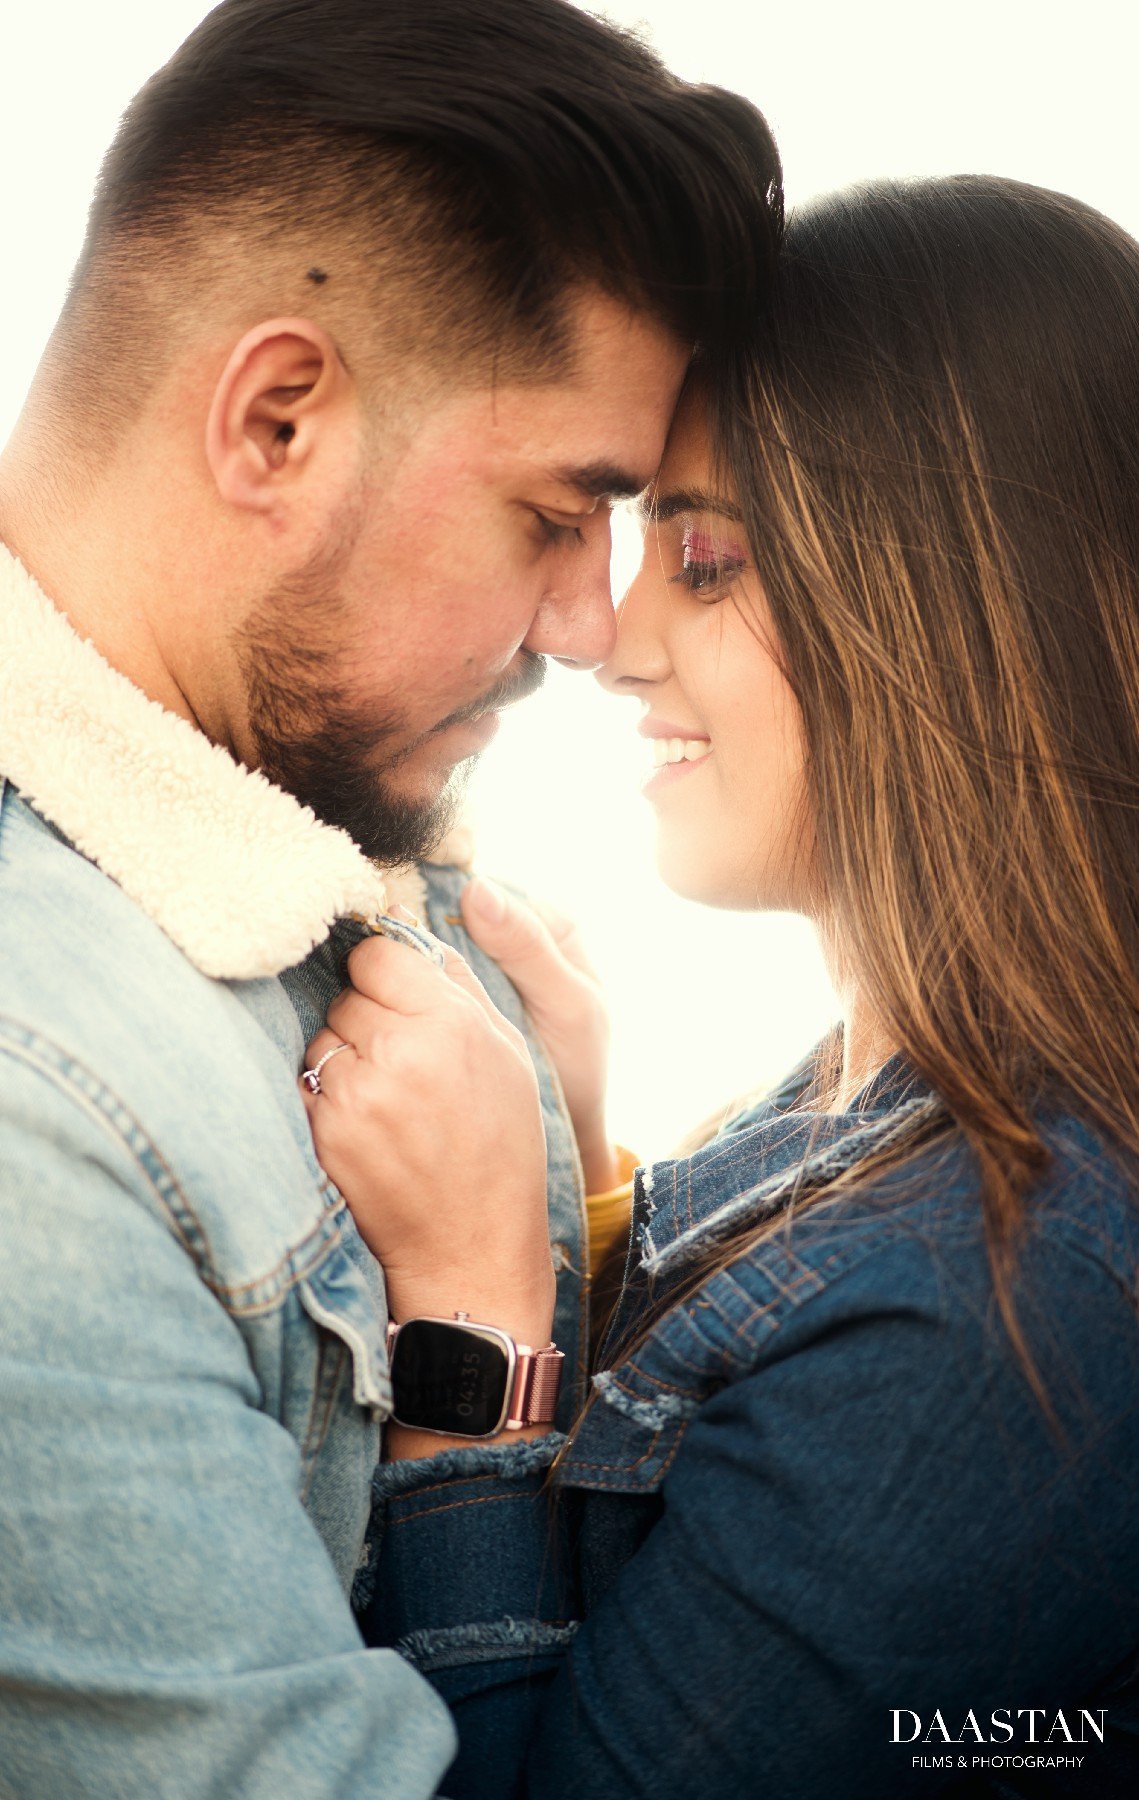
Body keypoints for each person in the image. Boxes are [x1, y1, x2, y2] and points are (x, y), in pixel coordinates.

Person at [0, 0, 784, 1790]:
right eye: (551, 516)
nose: (594, 629)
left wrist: (577, 1178)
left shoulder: (322, 829)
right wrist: (480, 1370)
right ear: (277, 419)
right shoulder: (37, 1099)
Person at [303, 175, 1139, 1796]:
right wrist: (582, 1171)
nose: (610, 638)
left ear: (953, 596)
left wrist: (472, 1327)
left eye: (702, 557)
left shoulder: (1014, 1299)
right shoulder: (906, 1095)